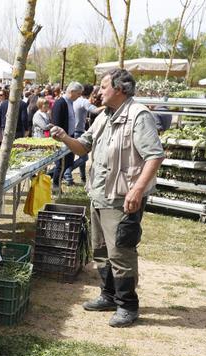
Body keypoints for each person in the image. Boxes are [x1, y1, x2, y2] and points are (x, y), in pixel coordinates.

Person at [50, 69, 165, 328]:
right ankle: (108, 295)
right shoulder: (105, 116)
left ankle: (128, 305)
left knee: (121, 252)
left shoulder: (138, 115)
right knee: (101, 250)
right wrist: (65, 137)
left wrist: (137, 190)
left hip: (122, 198)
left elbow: (155, 155)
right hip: (100, 194)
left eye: (103, 87)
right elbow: (84, 146)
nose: (98, 92)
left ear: (120, 89)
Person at [65, 84, 104, 185]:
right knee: (84, 157)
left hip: (73, 131)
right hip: (78, 132)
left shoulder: (74, 101)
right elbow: (95, 110)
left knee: (77, 157)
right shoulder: (84, 101)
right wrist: (107, 105)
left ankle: (82, 177)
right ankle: (68, 172)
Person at [50, 82, 83, 187]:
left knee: (68, 162)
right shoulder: (60, 103)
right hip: (62, 139)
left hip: (69, 137)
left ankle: (51, 177)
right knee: (60, 164)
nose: (79, 96)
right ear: (72, 92)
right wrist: (60, 139)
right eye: (78, 93)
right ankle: (56, 184)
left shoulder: (70, 102)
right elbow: (56, 124)